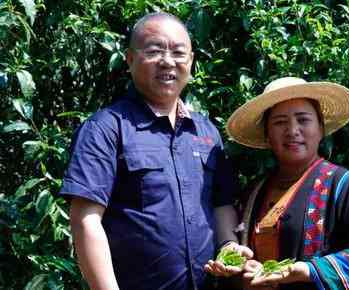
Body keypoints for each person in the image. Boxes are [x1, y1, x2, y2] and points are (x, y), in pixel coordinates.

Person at [59, 12, 250, 290]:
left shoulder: (206, 132)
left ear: (191, 61)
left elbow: (221, 204)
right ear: (130, 59)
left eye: (178, 52)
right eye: (154, 51)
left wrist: (229, 247)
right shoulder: (105, 129)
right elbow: (85, 220)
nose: (167, 61)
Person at [206, 77, 349, 289]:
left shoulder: (344, 185)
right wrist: (240, 270)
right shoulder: (254, 192)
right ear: (267, 135)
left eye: (303, 120)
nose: (292, 130)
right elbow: (235, 248)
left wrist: (308, 270)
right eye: (280, 122)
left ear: (321, 129)